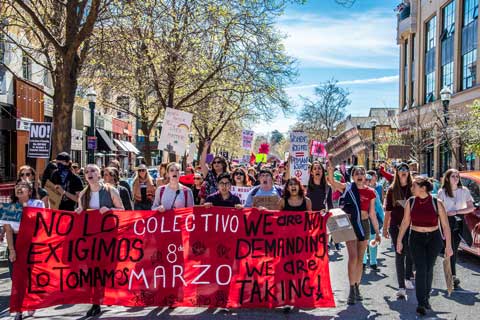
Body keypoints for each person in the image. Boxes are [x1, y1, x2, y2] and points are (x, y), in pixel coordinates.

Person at [327, 160, 381, 305]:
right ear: (352, 176)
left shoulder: (371, 192)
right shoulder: (347, 188)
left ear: (365, 177)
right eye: (356, 173)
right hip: (350, 225)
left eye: (362, 173)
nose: (359, 175)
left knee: (361, 258)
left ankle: (357, 286)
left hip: (364, 225)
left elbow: (372, 213)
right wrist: (331, 169)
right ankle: (351, 289)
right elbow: (332, 182)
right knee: (353, 256)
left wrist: (377, 232)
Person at [396, 176, 453, 316]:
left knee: (428, 268)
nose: (411, 188)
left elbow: (445, 226)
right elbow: (405, 222)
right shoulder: (411, 202)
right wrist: (399, 240)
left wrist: (449, 246)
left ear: (423, 188)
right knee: (421, 269)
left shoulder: (436, 202)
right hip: (415, 238)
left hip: (434, 238)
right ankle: (421, 302)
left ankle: (426, 297)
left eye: (414, 185)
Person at [76, 164, 124, 317]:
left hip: (109, 238)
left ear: (99, 174)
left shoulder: (111, 190)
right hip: (91, 240)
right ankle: (96, 302)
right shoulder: (83, 195)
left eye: (93, 171)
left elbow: (123, 210)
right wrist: (78, 212)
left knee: (108, 269)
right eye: (86, 171)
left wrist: (110, 210)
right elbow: (80, 215)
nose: (89, 173)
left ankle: (106, 293)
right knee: (93, 271)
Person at [4, 181, 45, 320]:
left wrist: (26, 207)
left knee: (30, 277)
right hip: (16, 243)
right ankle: (19, 309)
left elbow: (41, 223)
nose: (19, 189)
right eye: (17, 187)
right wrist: (11, 250)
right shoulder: (10, 207)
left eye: (23, 187)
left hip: (32, 243)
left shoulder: (38, 204)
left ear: (29, 191)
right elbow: (8, 230)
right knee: (16, 278)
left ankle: (30, 303)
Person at [437, 169, 474, 289]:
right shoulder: (442, 192)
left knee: (454, 250)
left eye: (457, 176)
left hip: (459, 221)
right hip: (445, 222)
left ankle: (451, 276)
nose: (456, 178)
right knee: (449, 249)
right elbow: (438, 210)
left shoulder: (464, 191)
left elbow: (471, 208)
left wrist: (457, 211)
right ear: (447, 178)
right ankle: (451, 277)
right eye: (453, 176)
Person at [383, 162, 414, 297]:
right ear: (397, 173)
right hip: (396, 226)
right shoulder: (391, 190)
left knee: (410, 252)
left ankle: (407, 278)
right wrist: (384, 228)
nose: (403, 171)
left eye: (406, 169)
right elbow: (388, 211)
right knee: (399, 253)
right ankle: (401, 286)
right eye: (401, 169)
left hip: (412, 226)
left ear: (408, 173)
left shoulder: (414, 188)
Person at [363, 172, 385, 271]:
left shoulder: (373, 192)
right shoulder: (356, 191)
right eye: (365, 180)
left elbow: (379, 206)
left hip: (372, 219)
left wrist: (384, 220)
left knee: (372, 239)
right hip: (361, 220)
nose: (367, 182)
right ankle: (363, 261)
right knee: (362, 241)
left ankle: (373, 262)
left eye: (368, 180)